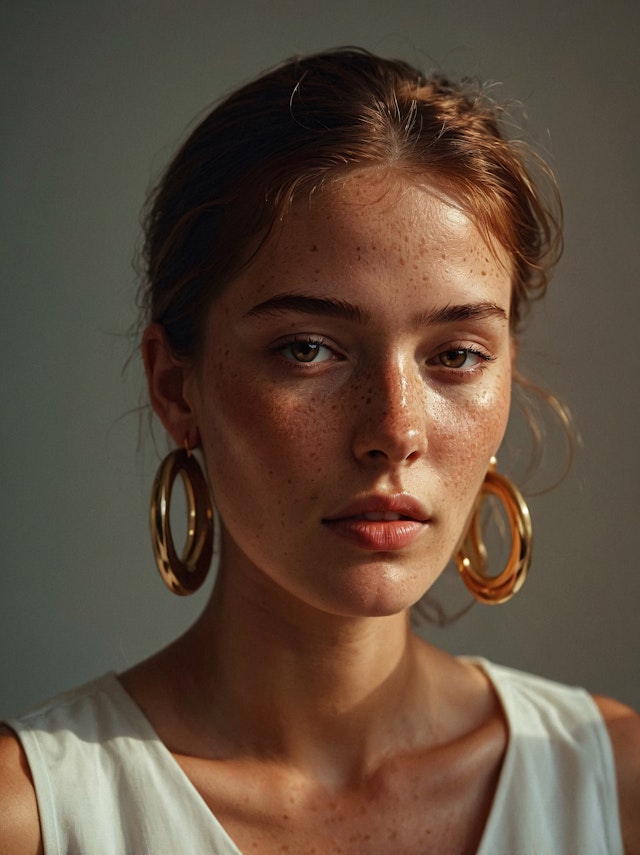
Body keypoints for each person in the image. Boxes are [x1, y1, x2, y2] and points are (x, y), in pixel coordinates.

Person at [1, 47, 638, 855]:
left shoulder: (616, 789)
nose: (396, 430)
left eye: (456, 354)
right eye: (308, 348)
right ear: (175, 386)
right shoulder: (33, 818)